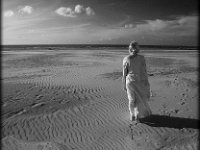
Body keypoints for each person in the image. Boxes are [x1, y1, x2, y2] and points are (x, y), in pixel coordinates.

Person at [122, 41, 152, 123]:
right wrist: (146, 82)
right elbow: (144, 71)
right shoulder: (142, 58)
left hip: (129, 81)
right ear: (137, 48)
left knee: (131, 99)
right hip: (138, 81)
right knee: (139, 99)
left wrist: (124, 84)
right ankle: (138, 114)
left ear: (130, 49)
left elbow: (124, 74)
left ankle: (132, 115)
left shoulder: (126, 58)